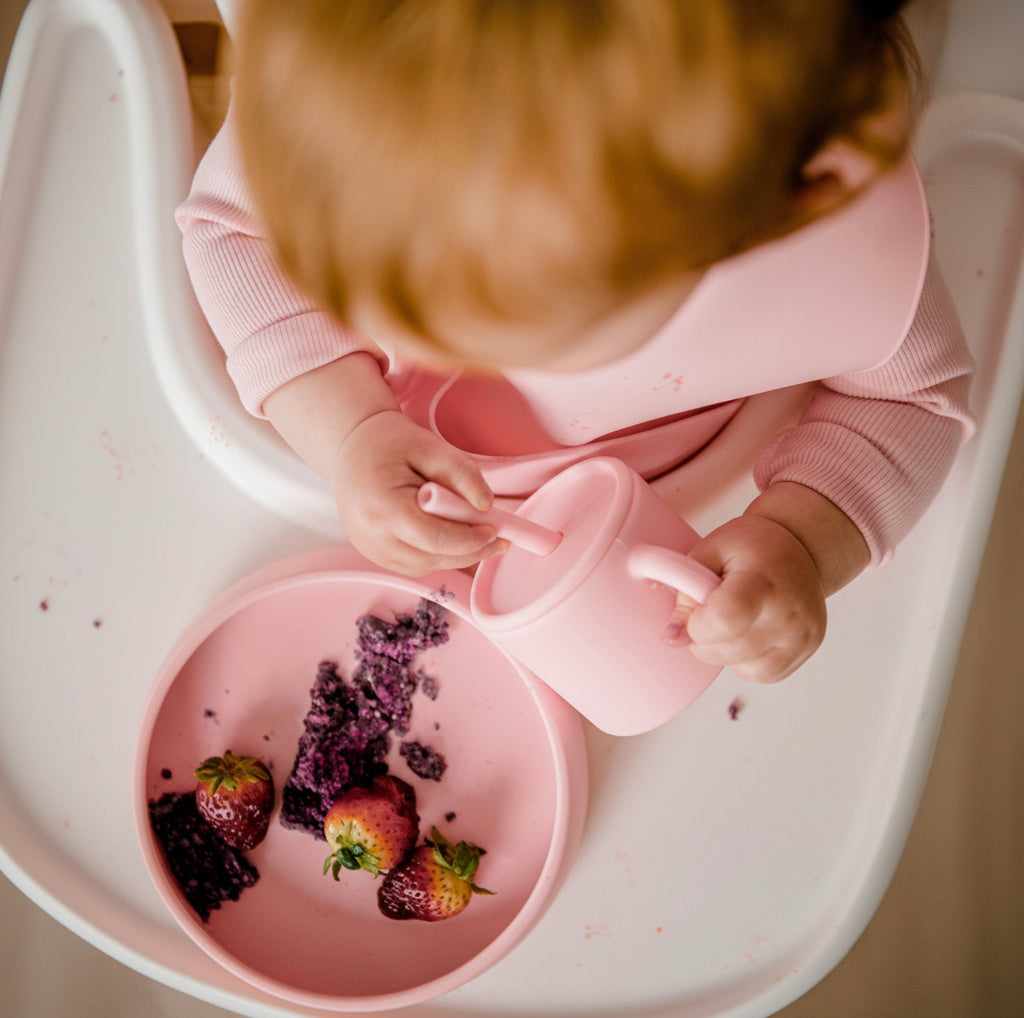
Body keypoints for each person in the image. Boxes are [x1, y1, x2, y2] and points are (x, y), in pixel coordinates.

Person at [177, 0, 973, 685]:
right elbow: (235, 234)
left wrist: (803, 534)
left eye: (512, 324)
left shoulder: (825, 251)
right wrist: (349, 426)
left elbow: (913, 401)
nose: (438, 347)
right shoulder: (359, 97)